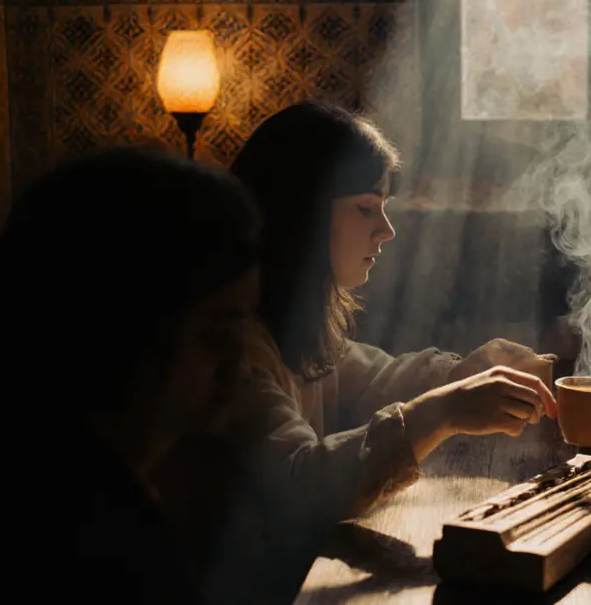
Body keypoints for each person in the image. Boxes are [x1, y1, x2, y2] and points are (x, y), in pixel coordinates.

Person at [151, 101, 560, 603]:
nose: (385, 230)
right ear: (300, 212)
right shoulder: (234, 346)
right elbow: (298, 480)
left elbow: (372, 378)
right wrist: (444, 409)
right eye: (366, 208)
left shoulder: (295, 325)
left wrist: (466, 374)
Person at [0, 147, 263, 603]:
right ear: (122, 324)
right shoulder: (65, 528)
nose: (242, 362)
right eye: (216, 328)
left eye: (243, 323)